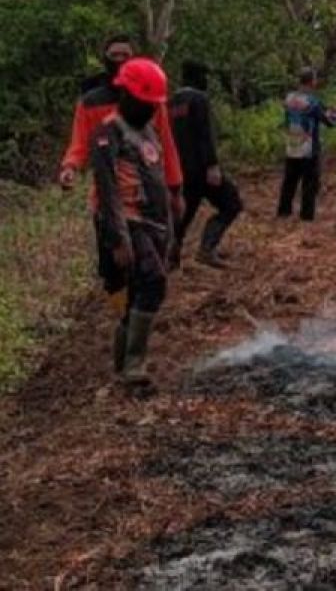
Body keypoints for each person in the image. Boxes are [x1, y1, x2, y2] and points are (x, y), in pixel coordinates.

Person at [60, 36, 183, 324]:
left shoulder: (152, 100)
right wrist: (70, 168)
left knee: (151, 268)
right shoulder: (91, 103)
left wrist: (176, 188)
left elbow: (167, 145)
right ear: (104, 58)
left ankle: (137, 321)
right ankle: (123, 318)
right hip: (109, 202)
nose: (119, 60)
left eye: (125, 55)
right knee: (114, 271)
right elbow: (79, 144)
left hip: (150, 200)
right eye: (113, 55)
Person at [90, 58, 173, 387]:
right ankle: (134, 365)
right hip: (127, 221)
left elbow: (157, 177)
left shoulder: (149, 131)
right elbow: (107, 188)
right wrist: (118, 238)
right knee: (153, 282)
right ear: (126, 95)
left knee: (139, 290)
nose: (151, 109)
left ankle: (122, 367)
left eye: (154, 105)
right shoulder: (107, 132)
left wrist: (171, 227)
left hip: (153, 224)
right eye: (146, 103)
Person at [169, 60, 242, 268]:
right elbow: (204, 134)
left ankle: (171, 258)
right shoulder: (199, 98)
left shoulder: (171, 102)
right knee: (232, 203)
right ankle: (206, 249)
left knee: (184, 215)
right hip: (201, 168)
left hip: (180, 170)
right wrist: (212, 165)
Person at [277, 66, 336, 221]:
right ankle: (306, 217)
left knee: (290, 180)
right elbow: (329, 121)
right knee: (310, 182)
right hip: (309, 146)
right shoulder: (312, 102)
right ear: (312, 81)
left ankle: (283, 213)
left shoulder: (289, 98)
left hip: (292, 142)